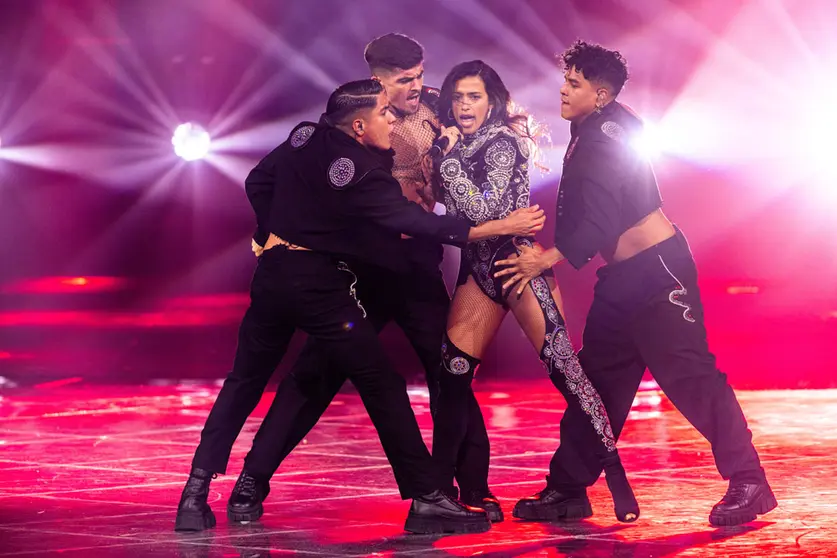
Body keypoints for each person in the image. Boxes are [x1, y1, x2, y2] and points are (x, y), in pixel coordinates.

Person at [174, 78, 545, 534]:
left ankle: (194, 493)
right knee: (380, 383)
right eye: (386, 112)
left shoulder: (305, 135)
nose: (394, 118)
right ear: (358, 123)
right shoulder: (365, 172)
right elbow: (410, 221)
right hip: (324, 287)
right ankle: (427, 498)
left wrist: (273, 235)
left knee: (244, 382)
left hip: (274, 278)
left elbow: (258, 180)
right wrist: (494, 228)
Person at [495, 40, 777, 527]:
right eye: (566, 80)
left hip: (656, 272)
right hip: (623, 278)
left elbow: (602, 219)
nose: (563, 89)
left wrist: (551, 257)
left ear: (600, 94)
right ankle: (567, 490)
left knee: (690, 377)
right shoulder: (600, 125)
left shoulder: (604, 136)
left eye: (574, 83)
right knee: (597, 383)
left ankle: (749, 481)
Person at [227, 33, 496, 525]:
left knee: (450, 371)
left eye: (420, 74)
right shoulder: (350, 120)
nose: (417, 86)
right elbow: (271, 178)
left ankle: (471, 488)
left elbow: (493, 124)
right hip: (357, 271)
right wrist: (272, 233)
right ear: (378, 82)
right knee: (314, 376)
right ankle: (252, 480)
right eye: (405, 80)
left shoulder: (438, 108)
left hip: (418, 263)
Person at [429, 60, 639, 524]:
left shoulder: (503, 140)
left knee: (567, 372)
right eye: (458, 97)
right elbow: (456, 222)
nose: (465, 105)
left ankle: (615, 476)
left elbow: (484, 209)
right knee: (452, 377)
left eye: (475, 96)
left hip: (519, 265)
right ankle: (441, 492)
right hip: (477, 273)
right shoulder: (453, 143)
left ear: (493, 101)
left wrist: (445, 161)